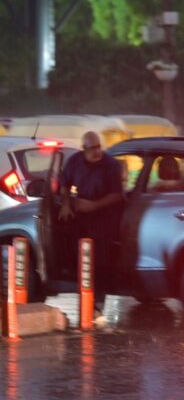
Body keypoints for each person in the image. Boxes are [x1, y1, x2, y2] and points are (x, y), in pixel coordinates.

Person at [59, 131, 125, 306]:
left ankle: (99, 302)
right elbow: (64, 185)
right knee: (80, 255)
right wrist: (66, 204)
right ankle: (84, 296)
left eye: (98, 147)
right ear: (84, 149)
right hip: (81, 217)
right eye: (92, 148)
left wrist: (94, 206)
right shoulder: (75, 161)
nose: (96, 152)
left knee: (101, 260)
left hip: (105, 218)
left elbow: (117, 195)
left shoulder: (110, 165)